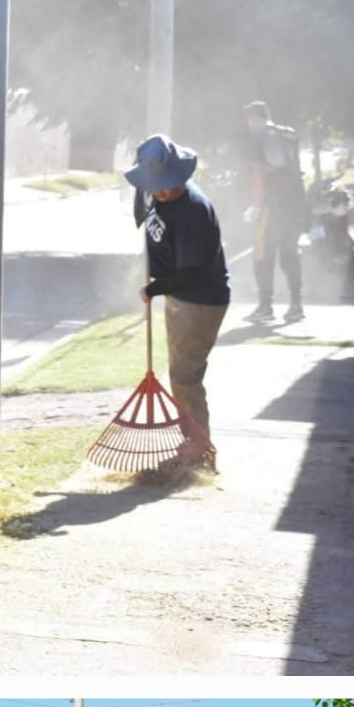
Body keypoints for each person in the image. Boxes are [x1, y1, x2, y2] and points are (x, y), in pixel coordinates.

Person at [124, 134, 230, 469]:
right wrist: (144, 192)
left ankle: (199, 453)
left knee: (185, 376)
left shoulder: (193, 212)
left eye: (168, 185)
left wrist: (152, 289)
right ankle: (191, 443)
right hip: (180, 297)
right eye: (156, 184)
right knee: (179, 372)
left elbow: (191, 271)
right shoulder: (157, 193)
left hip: (199, 300)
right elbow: (147, 212)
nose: (163, 191)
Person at [243, 101, 307, 324]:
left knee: (262, 254)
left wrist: (256, 205)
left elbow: (258, 173)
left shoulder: (259, 136)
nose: (249, 124)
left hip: (272, 205)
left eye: (250, 119)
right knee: (290, 253)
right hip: (296, 203)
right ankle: (296, 305)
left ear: (255, 118)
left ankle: (265, 307)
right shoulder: (289, 134)